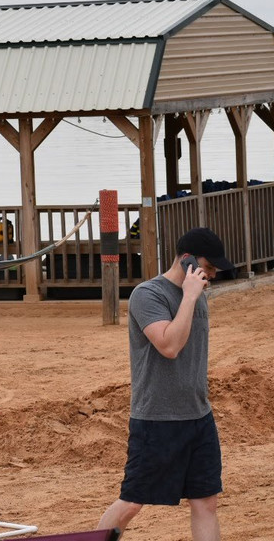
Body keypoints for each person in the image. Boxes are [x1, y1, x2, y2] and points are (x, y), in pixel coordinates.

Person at [97, 227, 232, 540]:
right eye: (207, 266)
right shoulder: (148, 294)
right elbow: (169, 346)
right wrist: (188, 296)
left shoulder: (195, 295)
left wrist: (191, 295)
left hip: (199, 418)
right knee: (132, 502)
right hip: (156, 420)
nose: (211, 275)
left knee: (206, 502)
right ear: (186, 260)